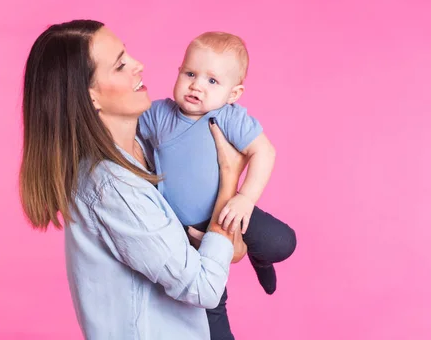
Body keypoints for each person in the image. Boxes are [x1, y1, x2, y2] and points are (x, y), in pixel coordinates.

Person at [19, 19, 248, 339]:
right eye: (120, 65)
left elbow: (211, 254)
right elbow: (205, 287)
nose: (138, 66)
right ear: (91, 97)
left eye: (128, 54)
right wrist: (230, 177)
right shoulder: (112, 187)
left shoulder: (149, 147)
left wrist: (221, 242)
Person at [138, 31, 297, 339]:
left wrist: (246, 199)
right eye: (190, 73)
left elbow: (264, 151)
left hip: (228, 211)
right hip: (184, 230)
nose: (197, 85)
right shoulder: (159, 115)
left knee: (283, 242)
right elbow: (122, 134)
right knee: (210, 302)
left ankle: (257, 255)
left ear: (234, 93)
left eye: (212, 81)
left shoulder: (227, 116)